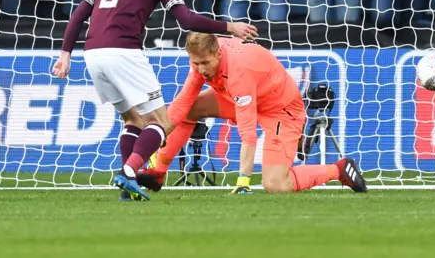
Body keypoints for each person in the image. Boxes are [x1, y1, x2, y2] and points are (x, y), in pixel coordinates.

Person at [52, 0, 258, 201]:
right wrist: (229, 27)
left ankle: (128, 190)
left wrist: (65, 54)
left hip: (92, 53)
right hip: (123, 51)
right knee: (160, 121)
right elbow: (185, 19)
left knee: (132, 120)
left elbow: (79, 14)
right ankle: (128, 173)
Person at [138, 33, 367, 195]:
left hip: (281, 109)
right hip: (239, 96)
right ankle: (157, 173)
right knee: (191, 107)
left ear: (218, 54)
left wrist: (243, 181)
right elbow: (181, 104)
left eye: (205, 63)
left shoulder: (240, 71)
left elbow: (247, 133)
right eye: (195, 63)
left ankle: (337, 169)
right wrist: (154, 141)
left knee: (276, 185)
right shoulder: (202, 58)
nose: (201, 70)